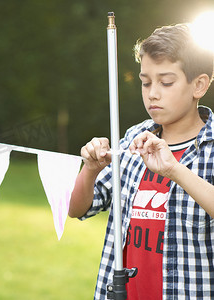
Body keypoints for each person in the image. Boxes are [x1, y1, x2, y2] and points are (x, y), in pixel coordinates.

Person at [68, 23, 214, 299]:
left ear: (199, 85)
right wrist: (89, 170)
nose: (153, 93)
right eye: (145, 82)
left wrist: (173, 169)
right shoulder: (134, 138)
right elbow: (78, 208)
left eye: (166, 82)